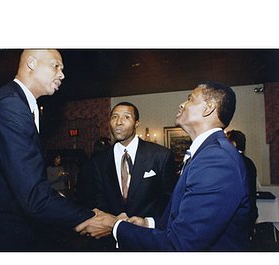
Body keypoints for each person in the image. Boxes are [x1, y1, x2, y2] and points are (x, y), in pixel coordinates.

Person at [75, 81, 252, 251]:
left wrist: (115, 226)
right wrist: (148, 223)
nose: (182, 104)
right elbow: (182, 217)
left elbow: (181, 245)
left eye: (190, 99)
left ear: (208, 108)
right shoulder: (205, 154)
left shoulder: (216, 159)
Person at [0, 49, 98, 251]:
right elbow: (33, 196)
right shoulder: (10, 106)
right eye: (56, 66)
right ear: (32, 64)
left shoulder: (16, 103)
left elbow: (19, 176)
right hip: (1, 237)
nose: (62, 74)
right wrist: (91, 218)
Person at [85, 102, 177, 250]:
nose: (118, 122)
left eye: (126, 117)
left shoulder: (160, 155)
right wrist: (112, 219)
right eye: (114, 117)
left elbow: (169, 199)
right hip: (111, 239)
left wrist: (148, 222)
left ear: (136, 123)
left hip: (149, 238)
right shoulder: (99, 160)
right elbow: (98, 196)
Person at [226, 129, 258, 236]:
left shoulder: (232, 162)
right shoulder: (249, 162)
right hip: (250, 212)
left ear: (233, 144)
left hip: (237, 217)